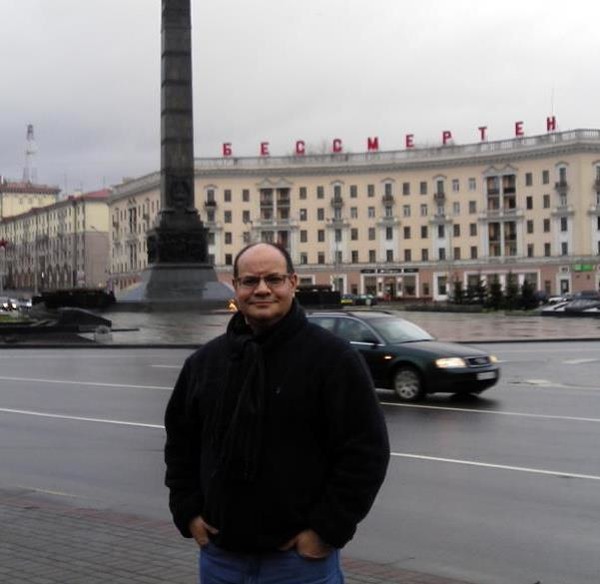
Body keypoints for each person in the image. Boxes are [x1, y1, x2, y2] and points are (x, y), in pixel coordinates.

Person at [164, 242, 389, 584]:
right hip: (221, 559)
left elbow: (365, 453)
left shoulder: (333, 359)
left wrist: (326, 530)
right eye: (250, 281)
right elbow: (181, 445)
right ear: (235, 287)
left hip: (298, 564)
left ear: (293, 283)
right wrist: (188, 511)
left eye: (273, 279)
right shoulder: (205, 362)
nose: (262, 289)